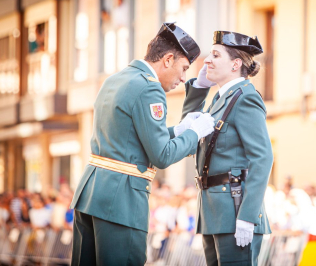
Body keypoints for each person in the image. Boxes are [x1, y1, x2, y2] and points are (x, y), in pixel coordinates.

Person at [70, 23, 215, 266]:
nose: (183, 78)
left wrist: (177, 130)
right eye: (183, 68)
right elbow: (162, 155)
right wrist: (194, 134)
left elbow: (129, 138)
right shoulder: (150, 88)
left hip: (91, 193)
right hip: (121, 201)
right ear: (168, 59)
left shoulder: (116, 79)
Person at [181, 31, 273, 265]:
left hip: (235, 210)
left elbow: (262, 158)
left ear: (236, 64)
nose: (207, 60)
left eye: (215, 55)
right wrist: (200, 87)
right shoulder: (221, 98)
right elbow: (188, 129)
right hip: (215, 210)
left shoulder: (245, 97)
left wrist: (248, 216)